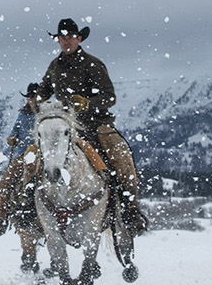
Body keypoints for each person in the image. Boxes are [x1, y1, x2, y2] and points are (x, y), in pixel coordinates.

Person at [38, 17, 146, 234]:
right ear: (57, 40)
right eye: (62, 38)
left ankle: (129, 206)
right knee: (32, 159)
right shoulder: (54, 66)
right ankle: (27, 206)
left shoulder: (93, 64)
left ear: (78, 39)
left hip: (96, 125)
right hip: (64, 127)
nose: (66, 41)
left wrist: (88, 104)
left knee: (120, 156)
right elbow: (44, 88)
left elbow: (109, 97)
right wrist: (38, 101)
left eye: (70, 37)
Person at [0, 83, 42, 236]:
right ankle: (0, 214)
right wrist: (12, 138)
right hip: (23, 154)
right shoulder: (23, 114)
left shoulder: (45, 114)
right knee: (7, 180)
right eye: (29, 97)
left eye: (33, 97)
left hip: (41, 154)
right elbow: (15, 131)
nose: (30, 100)